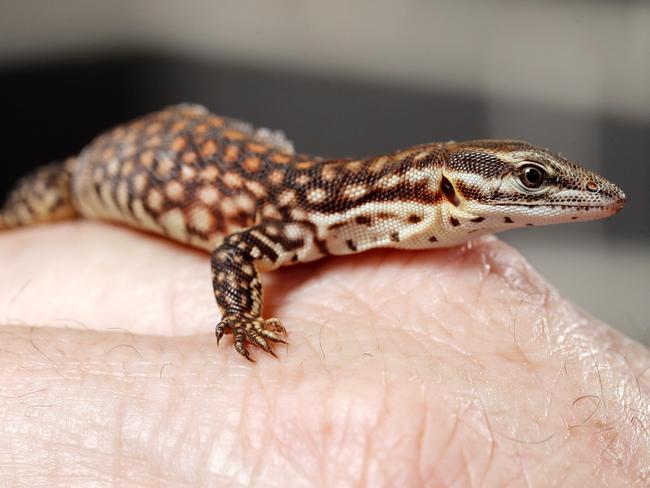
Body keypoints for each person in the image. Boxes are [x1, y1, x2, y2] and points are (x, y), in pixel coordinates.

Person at [0, 221, 647, 486]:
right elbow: (234, 252)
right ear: (445, 192)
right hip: (97, 173)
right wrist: (241, 317)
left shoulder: (335, 215)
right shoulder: (314, 214)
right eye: (531, 183)